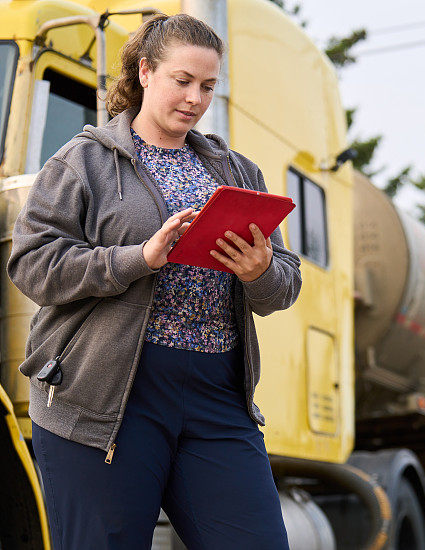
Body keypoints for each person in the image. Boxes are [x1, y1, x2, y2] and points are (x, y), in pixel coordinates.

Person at [7, 13, 300, 549]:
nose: (194, 97)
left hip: (219, 396)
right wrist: (136, 258)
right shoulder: (83, 163)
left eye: (207, 86)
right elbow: (32, 264)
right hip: (103, 399)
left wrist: (260, 273)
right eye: (181, 81)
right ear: (145, 72)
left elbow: (286, 282)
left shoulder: (236, 172)